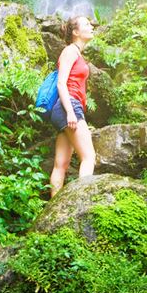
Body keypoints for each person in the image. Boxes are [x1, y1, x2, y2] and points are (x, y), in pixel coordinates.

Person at [49, 14, 96, 197]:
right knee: (89, 157)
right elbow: (61, 83)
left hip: (66, 109)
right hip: (69, 107)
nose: (91, 26)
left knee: (61, 164)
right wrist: (70, 112)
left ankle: (53, 208)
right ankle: (81, 201)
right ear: (76, 32)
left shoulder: (76, 53)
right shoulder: (70, 51)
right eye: (86, 24)